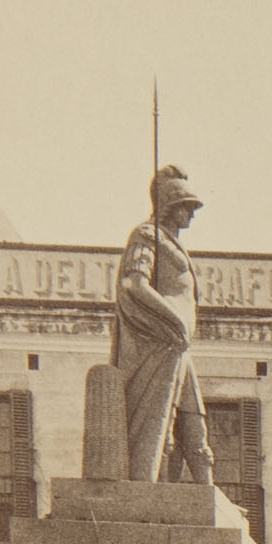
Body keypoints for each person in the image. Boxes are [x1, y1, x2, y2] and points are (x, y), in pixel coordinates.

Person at [114, 166, 214, 485]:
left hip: (177, 345)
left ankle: (206, 490)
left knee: (192, 416)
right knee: (160, 420)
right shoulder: (146, 235)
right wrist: (172, 318)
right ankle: (154, 488)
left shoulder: (170, 241)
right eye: (187, 206)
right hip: (160, 343)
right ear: (170, 204)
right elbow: (134, 283)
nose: (192, 214)